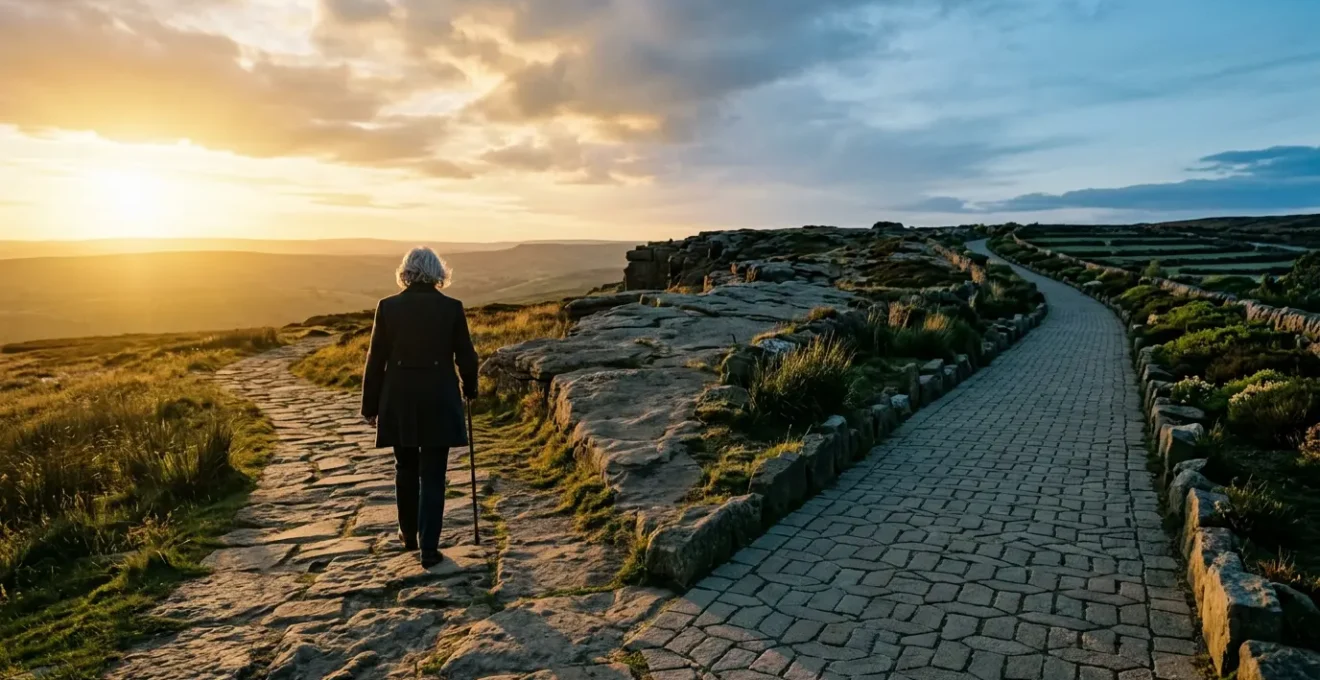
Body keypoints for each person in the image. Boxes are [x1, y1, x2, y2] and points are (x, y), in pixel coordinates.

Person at [361, 247, 479, 568]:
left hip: (399, 398)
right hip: (439, 397)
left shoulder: (387, 307)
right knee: (434, 473)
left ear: (407, 272)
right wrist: (470, 388)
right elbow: (466, 356)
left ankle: (409, 534)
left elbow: (375, 360)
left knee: (405, 467)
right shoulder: (452, 308)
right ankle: (429, 547)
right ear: (438, 272)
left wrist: (370, 406)